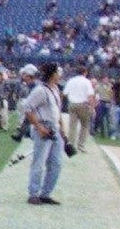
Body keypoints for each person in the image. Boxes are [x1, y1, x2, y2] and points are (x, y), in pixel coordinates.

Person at [18, 62, 67, 205]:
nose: (59, 75)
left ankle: (46, 193)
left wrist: (62, 127)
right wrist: (39, 127)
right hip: (44, 127)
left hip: (55, 128)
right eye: (57, 73)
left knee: (56, 163)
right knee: (39, 162)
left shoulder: (56, 89)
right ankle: (33, 193)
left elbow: (57, 110)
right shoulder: (41, 90)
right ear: (52, 74)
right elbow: (27, 108)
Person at [61, 65, 95, 152]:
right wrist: (92, 107)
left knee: (72, 126)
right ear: (85, 72)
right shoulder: (87, 81)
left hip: (72, 104)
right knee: (84, 125)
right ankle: (81, 145)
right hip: (83, 104)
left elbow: (64, 94)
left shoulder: (71, 80)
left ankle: (72, 145)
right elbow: (90, 95)